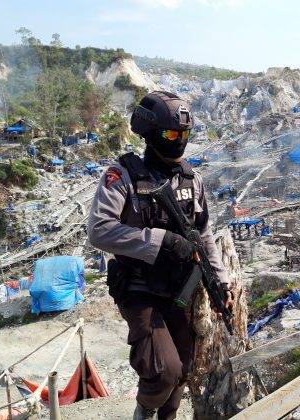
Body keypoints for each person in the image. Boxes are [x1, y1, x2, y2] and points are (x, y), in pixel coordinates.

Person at [88, 91, 233, 420]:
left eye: (184, 135)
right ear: (150, 134)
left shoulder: (192, 180)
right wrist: (159, 241)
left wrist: (220, 281)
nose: (178, 141)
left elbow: (204, 233)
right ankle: (143, 412)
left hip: (177, 289)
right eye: (170, 134)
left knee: (183, 369)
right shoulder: (122, 175)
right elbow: (99, 230)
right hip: (138, 287)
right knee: (164, 370)